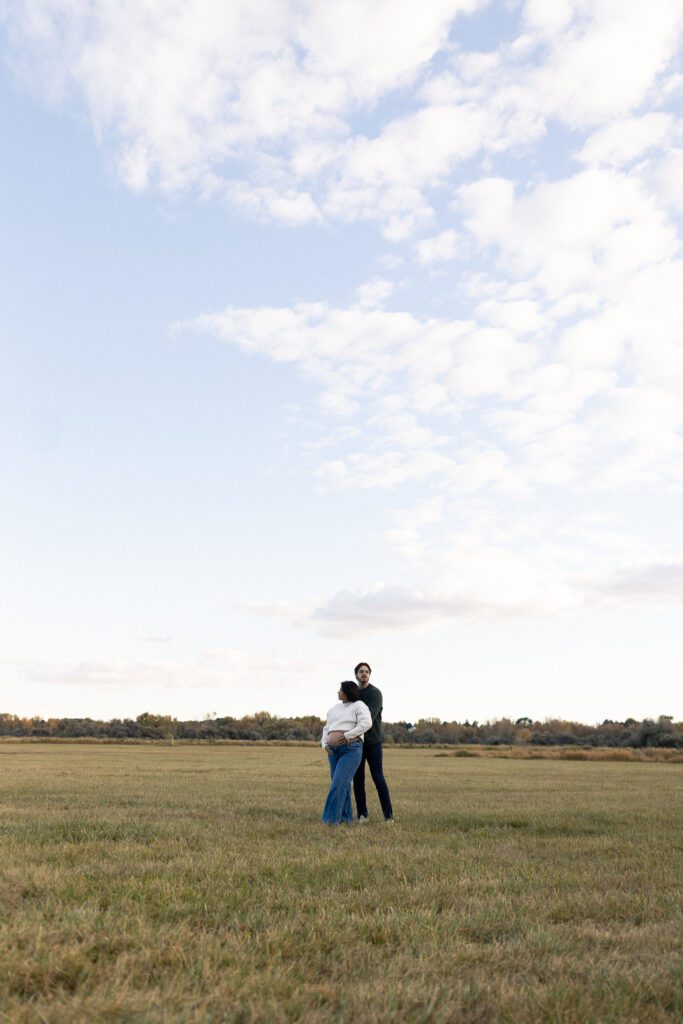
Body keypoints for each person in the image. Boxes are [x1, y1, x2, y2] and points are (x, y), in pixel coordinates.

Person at [321, 681, 372, 826]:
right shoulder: (334, 709)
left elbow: (366, 723)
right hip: (332, 751)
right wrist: (324, 744)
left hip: (351, 749)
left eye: (340, 690)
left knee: (338, 784)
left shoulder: (359, 705)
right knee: (342, 784)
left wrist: (349, 734)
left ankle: (330, 821)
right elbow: (327, 729)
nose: (338, 692)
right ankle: (345, 818)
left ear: (348, 692)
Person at [353, 662, 394, 822]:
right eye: (361, 671)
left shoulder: (375, 693)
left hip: (373, 742)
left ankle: (388, 816)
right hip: (357, 743)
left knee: (378, 778)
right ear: (356, 675)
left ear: (370, 675)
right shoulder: (353, 693)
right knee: (358, 779)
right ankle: (362, 815)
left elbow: (367, 717)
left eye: (367, 672)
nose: (364, 674)